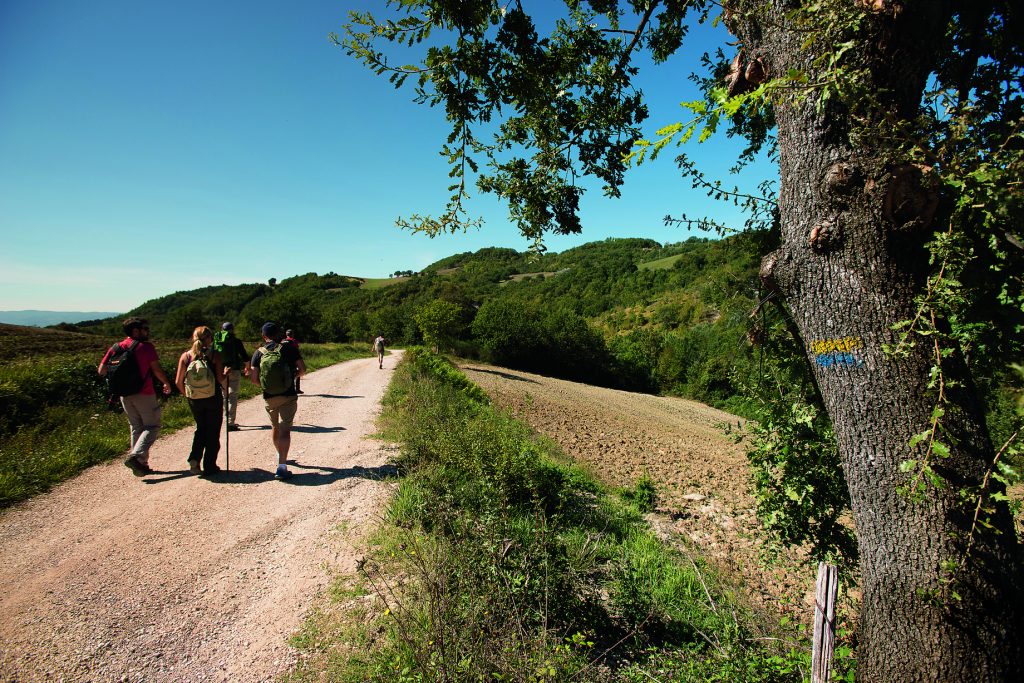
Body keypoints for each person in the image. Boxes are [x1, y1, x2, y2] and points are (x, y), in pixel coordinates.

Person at [97, 317, 173, 476]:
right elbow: (156, 369)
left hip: (124, 395)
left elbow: (102, 370)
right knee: (152, 426)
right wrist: (166, 382)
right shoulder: (145, 347)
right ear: (136, 331)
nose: (147, 332)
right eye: (145, 329)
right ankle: (136, 456)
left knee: (136, 427)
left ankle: (141, 464)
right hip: (144, 393)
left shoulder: (115, 347)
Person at [251, 321, 305, 480]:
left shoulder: (258, 352)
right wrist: (293, 377)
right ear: (278, 334)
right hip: (288, 394)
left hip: (269, 397)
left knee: (275, 427)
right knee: (285, 430)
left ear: (263, 335)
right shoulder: (289, 348)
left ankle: (280, 455)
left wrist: (265, 386)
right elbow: (302, 369)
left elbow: (254, 379)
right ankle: (282, 466)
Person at [175, 326, 227, 476]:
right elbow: (220, 379)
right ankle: (210, 466)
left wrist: (189, 395)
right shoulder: (214, 355)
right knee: (213, 430)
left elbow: (178, 381)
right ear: (209, 338)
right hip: (212, 397)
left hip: (194, 399)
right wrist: (226, 373)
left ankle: (194, 458)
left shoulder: (186, 356)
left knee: (201, 428)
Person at [213, 322, 250, 430]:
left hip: (221, 371)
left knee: (225, 396)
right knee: (232, 396)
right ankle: (230, 422)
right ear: (232, 330)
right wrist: (247, 367)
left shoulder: (217, 341)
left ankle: (225, 420)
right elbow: (244, 356)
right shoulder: (236, 341)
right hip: (233, 370)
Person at [285, 329, 303, 394]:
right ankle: (297, 389)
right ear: (292, 334)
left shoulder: (282, 341)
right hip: (293, 360)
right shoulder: (294, 341)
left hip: (283, 361)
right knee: (297, 373)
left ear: (286, 335)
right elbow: (297, 351)